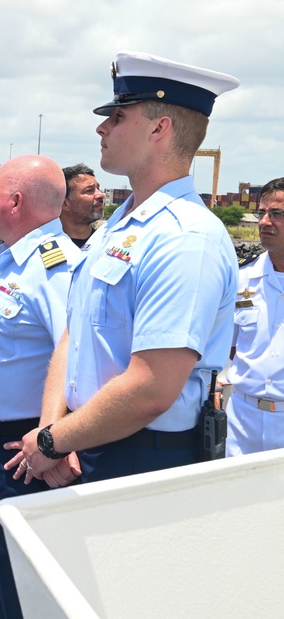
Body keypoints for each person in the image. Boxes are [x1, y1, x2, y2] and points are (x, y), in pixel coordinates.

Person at [12, 51, 239, 484]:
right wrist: (53, 432)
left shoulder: (185, 237)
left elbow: (151, 388)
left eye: (117, 116)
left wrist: (52, 442)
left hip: (145, 458)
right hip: (87, 440)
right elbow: (74, 334)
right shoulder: (120, 224)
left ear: (159, 128)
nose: (102, 127)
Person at [0, 155, 79, 619]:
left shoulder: (53, 266)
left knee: (21, 592)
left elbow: (75, 356)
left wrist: (55, 440)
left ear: (14, 200)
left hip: (22, 453)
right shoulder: (14, 261)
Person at [226, 177, 284, 455]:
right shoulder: (241, 277)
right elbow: (230, 344)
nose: (264, 222)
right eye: (261, 213)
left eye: (277, 214)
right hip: (242, 421)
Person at [59, 163, 104, 248]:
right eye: (89, 190)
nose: (101, 195)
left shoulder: (105, 243)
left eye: (98, 189)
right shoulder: (47, 245)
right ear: (65, 204)